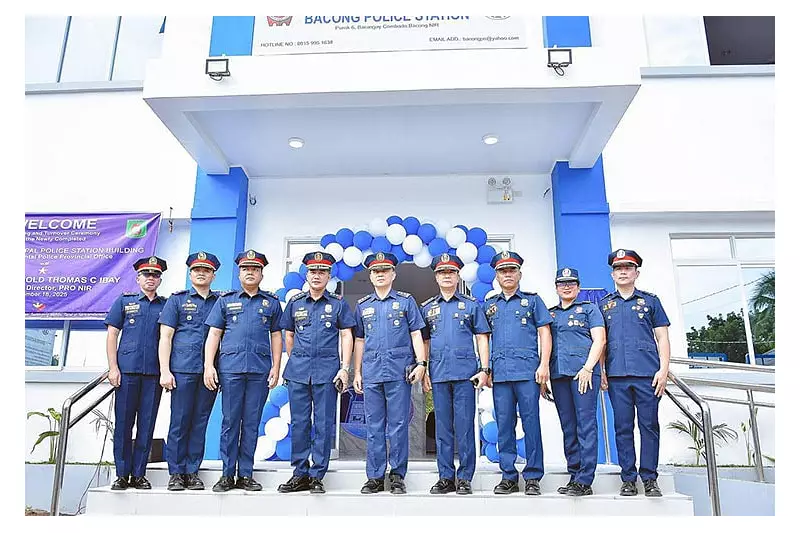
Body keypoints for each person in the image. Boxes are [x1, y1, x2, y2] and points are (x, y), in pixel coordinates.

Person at [203, 249, 283, 492]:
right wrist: (209, 365)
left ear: (261, 273)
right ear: (239, 273)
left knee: (251, 423)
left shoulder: (271, 303)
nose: (250, 272)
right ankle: (227, 474)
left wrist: (276, 367)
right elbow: (214, 334)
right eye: (246, 268)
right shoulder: (225, 301)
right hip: (230, 370)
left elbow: (277, 336)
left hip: (259, 370)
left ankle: (246, 474)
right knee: (230, 422)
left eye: (255, 269)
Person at [277, 251, 356, 494]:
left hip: (327, 373)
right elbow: (288, 335)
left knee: (323, 424)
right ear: (307, 274)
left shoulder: (337, 304)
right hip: (298, 373)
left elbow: (346, 335)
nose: (317, 275)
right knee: (300, 423)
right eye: (313, 271)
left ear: (329, 276)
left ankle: (317, 474)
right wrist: (297, 358)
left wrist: (344, 368)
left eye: (322, 271)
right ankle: (300, 473)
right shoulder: (295, 303)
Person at [353, 252, 427, 495]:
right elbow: (359, 340)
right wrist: (357, 372)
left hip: (399, 373)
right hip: (372, 373)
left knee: (398, 426)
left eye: (385, 270)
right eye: (376, 271)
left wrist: (421, 363)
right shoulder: (363, 306)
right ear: (371, 276)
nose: (380, 274)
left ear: (393, 274)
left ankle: (397, 475)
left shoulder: (407, 302)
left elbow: (417, 333)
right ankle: (374, 476)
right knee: (373, 426)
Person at [601, 249, 671, 497]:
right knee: (622, 427)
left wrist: (664, 369)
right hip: (617, 374)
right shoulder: (604, 305)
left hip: (647, 374)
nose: (623, 272)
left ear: (636, 272)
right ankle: (628, 478)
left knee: (649, 426)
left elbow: (662, 337)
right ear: (612, 274)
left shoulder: (651, 302)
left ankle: (650, 478)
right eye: (618, 268)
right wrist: (601, 371)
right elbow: (601, 342)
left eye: (628, 268)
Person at [420, 254, 491, 495]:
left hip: (465, 375)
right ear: (436, 277)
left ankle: (465, 477)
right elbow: (425, 342)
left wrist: (484, 369)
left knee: (464, 426)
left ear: (458, 275)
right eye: (442, 273)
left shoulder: (471, 305)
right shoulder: (427, 308)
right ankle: (445, 477)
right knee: (442, 428)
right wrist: (425, 369)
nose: (447, 276)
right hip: (439, 374)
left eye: (451, 272)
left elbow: (482, 337)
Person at [483, 251, 552, 496]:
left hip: (528, 373)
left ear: (519, 274)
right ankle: (508, 476)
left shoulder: (533, 301)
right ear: (497, 276)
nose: (508, 274)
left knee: (531, 424)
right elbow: (482, 338)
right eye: (503, 271)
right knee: (504, 426)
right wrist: (486, 369)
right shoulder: (490, 305)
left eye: (512, 270)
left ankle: (533, 476)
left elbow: (545, 333)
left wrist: (544, 365)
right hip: (500, 375)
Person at [158, 251, 221, 491]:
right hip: (182, 370)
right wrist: (165, 370)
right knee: (179, 421)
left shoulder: (220, 302)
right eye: (197, 270)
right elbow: (166, 336)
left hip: (210, 372)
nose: (201, 273)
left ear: (213, 275)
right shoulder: (177, 300)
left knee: (200, 422)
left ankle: (192, 471)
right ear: (190, 273)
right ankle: (176, 472)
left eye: (206, 270)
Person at [105, 256, 168, 490]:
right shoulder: (124, 302)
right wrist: (113, 367)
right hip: (127, 372)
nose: (150, 278)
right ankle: (122, 474)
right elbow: (112, 335)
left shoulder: (166, 305)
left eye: (155, 275)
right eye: (146, 274)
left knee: (147, 424)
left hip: (153, 374)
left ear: (160, 279)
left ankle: (139, 474)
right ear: (138, 278)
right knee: (123, 424)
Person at [546, 267, 606, 497]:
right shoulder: (550, 314)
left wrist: (588, 368)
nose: (567, 287)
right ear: (556, 288)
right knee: (568, 426)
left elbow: (599, 340)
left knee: (586, 425)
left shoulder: (590, 309)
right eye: (562, 283)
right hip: (559, 375)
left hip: (584, 374)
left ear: (578, 287)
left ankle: (585, 479)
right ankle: (574, 474)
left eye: (571, 283)